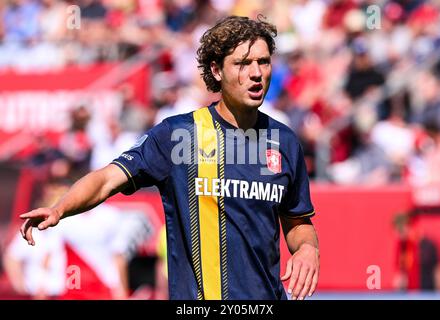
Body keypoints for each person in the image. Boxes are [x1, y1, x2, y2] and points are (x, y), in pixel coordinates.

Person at [19, 16, 319, 300]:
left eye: (263, 62)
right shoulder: (178, 135)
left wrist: (307, 247)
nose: (256, 73)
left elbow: (297, 221)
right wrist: (60, 209)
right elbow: (107, 179)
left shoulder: (284, 142)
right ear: (216, 70)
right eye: (242, 63)